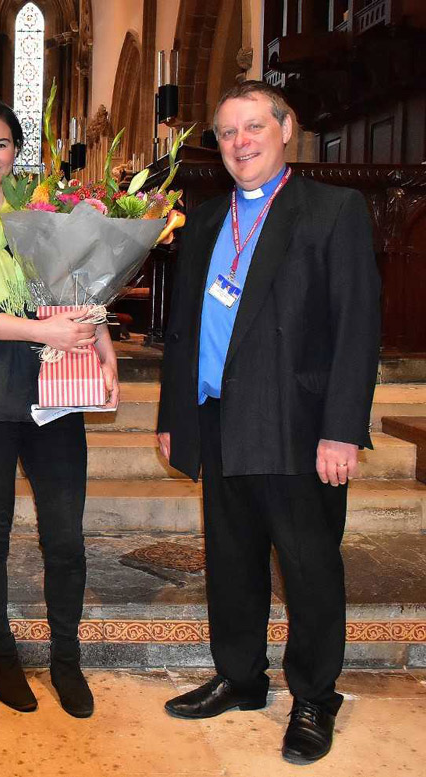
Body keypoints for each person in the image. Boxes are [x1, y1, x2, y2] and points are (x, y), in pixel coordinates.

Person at [157, 81, 380, 764]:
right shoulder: (205, 220)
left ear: (287, 129)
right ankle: (240, 676)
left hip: (296, 423)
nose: (240, 142)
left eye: (253, 126)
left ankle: (314, 695)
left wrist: (341, 428)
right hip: (218, 416)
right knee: (231, 560)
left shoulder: (332, 210)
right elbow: (182, 329)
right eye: (227, 132)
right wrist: (175, 415)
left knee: (309, 567)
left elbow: (357, 329)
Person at [0, 100, 119, 717]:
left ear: (16, 152)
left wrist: (103, 345)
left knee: (66, 536)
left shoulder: (46, 213)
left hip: (56, 389)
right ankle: (1, 654)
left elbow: (82, 288)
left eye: (1, 144)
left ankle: (66, 659)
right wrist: (44, 332)